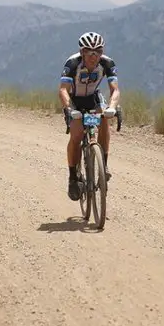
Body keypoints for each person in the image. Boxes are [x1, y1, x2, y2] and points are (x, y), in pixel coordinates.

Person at [59, 31, 121, 201]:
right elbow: (63, 89)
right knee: (77, 135)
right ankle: (73, 177)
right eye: (90, 52)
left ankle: (104, 165)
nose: (94, 56)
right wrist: (69, 109)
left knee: (104, 120)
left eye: (98, 51)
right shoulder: (72, 63)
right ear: (82, 52)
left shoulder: (107, 63)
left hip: (93, 99)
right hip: (75, 101)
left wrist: (113, 107)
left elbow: (115, 89)